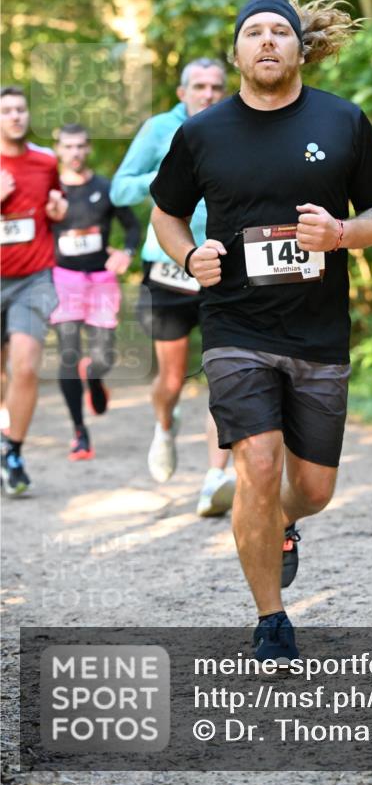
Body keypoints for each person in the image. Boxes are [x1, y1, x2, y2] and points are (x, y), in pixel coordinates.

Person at [149, 0, 372, 663]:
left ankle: (281, 523)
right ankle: (271, 620)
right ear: (236, 52)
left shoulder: (342, 121)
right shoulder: (202, 132)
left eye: (278, 33)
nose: (266, 42)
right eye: (252, 33)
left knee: (311, 489)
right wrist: (187, 254)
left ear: (299, 48)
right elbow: (165, 214)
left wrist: (342, 231)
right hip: (235, 324)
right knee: (256, 463)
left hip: (319, 332)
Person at [110, 58, 235, 516]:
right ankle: (165, 424)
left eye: (216, 86)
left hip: (224, 264)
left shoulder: (238, 125)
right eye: (199, 86)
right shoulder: (160, 129)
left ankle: (215, 477)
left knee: (226, 371)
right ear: (181, 92)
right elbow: (120, 190)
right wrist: (166, 174)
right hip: (167, 266)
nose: (208, 94)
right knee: (171, 378)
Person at [50, 124, 141, 460]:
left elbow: (132, 226)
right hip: (64, 280)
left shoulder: (105, 188)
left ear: (88, 149)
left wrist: (126, 253)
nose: (74, 152)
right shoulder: (51, 190)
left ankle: (95, 376)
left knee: (103, 357)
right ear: (58, 150)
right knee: (67, 356)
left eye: (80, 146)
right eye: (68, 146)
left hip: (101, 280)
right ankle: (79, 431)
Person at [1, 85, 68, 495]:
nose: (15, 117)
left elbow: (54, 209)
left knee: (24, 365)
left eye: (20, 110)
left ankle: (13, 451)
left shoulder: (46, 161)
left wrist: (58, 213)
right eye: (6, 111)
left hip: (33, 278)